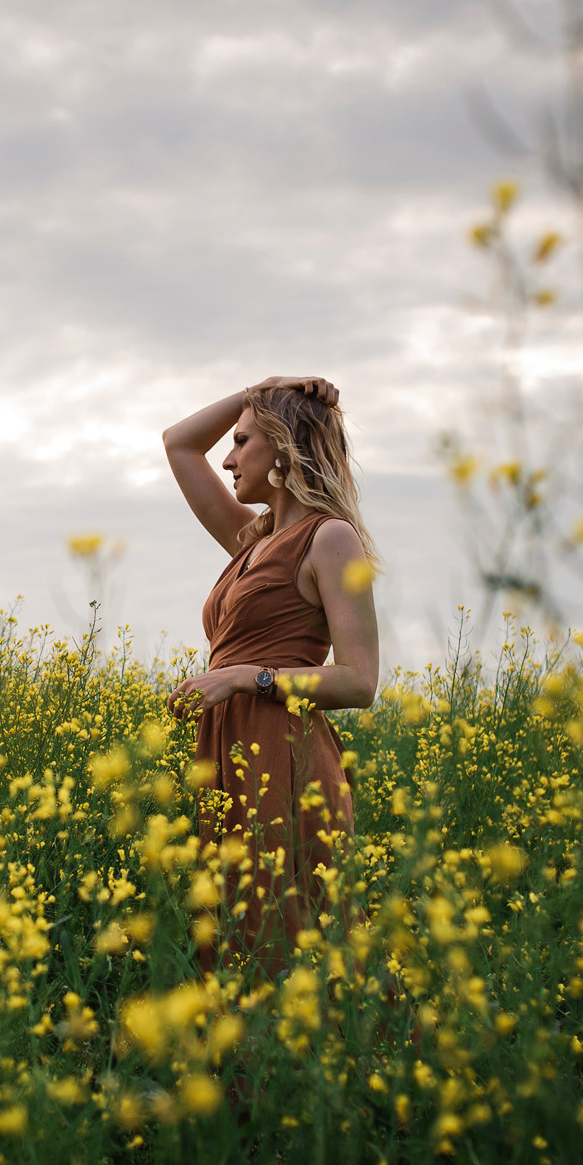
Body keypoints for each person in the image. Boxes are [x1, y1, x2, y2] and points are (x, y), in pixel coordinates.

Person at [162, 375, 380, 977]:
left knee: (289, 934)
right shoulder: (248, 541)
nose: (228, 458)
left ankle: (340, 1067)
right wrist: (262, 389)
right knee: (233, 934)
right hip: (227, 751)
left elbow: (360, 681)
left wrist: (243, 679)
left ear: (284, 449)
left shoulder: (330, 538)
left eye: (242, 441)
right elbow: (178, 444)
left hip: (284, 754)